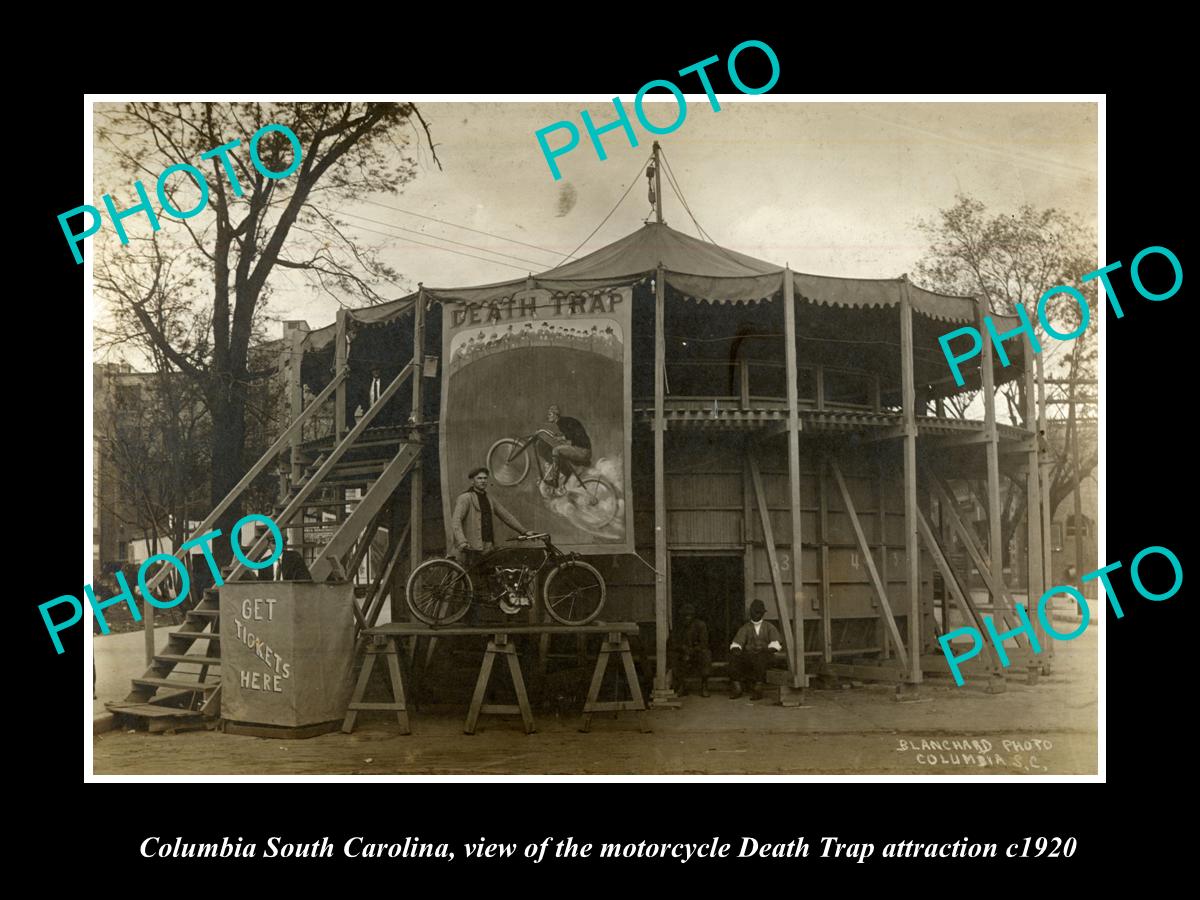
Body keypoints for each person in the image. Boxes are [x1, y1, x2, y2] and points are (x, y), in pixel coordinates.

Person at [451, 466, 530, 573]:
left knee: (488, 577)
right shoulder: (465, 498)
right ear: (472, 481)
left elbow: (506, 516)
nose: (483, 481)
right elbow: (456, 521)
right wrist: (462, 542)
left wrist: (524, 531)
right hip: (471, 547)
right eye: (479, 478)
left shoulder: (489, 498)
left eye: (485, 478)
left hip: (488, 546)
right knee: (469, 578)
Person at [728, 599, 783, 700]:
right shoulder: (745, 627)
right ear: (750, 613)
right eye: (754, 612)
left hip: (766, 656)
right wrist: (737, 649)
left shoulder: (769, 627)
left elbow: (776, 644)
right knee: (734, 657)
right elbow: (737, 642)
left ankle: (758, 688)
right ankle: (737, 687)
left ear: (763, 613)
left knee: (761, 658)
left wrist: (765, 648)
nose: (756, 615)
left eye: (758, 613)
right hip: (750, 656)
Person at [542, 404, 592, 489]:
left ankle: (555, 480)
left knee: (556, 451)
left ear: (556, 415)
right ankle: (563, 480)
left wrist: (561, 437)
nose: (548, 417)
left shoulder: (562, 422)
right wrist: (560, 436)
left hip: (582, 451)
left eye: (550, 414)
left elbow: (572, 435)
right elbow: (571, 435)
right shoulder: (564, 422)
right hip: (583, 450)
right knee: (561, 452)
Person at [668, 604, 712, 697]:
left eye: (690, 615)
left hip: (696, 653)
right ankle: (681, 685)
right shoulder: (677, 626)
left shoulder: (700, 625)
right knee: (673, 656)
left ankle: (704, 686)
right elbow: (672, 642)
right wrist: (683, 649)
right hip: (682, 653)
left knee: (706, 654)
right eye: (685, 615)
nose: (687, 618)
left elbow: (704, 643)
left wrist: (691, 651)